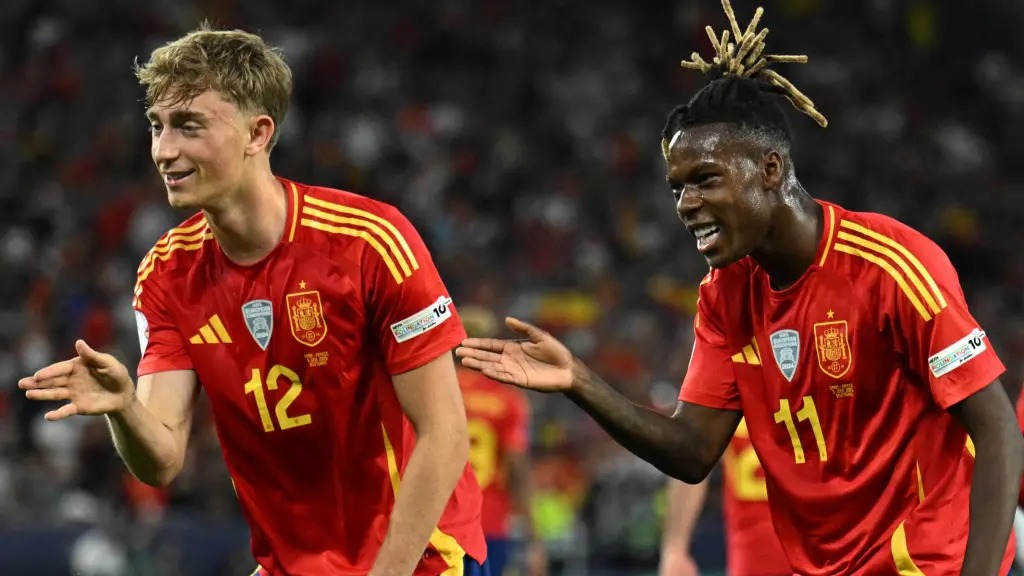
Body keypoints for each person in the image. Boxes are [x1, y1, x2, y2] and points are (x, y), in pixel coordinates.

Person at [455, 1, 1024, 574]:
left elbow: (997, 426)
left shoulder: (890, 265)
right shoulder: (724, 294)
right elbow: (693, 449)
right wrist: (581, 382)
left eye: (706, 179)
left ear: (771, 170)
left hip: (925, 561)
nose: (687, 204)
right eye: (677, 188)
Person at [18, 24, 487, 576]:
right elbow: (162, 460)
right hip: (294, 565)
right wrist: (124, 410)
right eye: (157, 126)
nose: (164, 150)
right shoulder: (165, 274)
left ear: (258, 133)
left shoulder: (369, 242)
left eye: (189, 126)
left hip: (420, 556)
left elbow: (444, 433)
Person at [458, 306, 547, 576]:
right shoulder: (507, 400)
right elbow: (517, 468)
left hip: (437, 522)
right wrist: (534, 539)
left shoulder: (435, 391)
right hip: (488, 523)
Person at [659, 419, 790, 576]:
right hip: (800, 552)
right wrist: (675, 549)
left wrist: (675, 548)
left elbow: (692, 458)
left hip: (754, 556)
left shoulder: (730, 406)